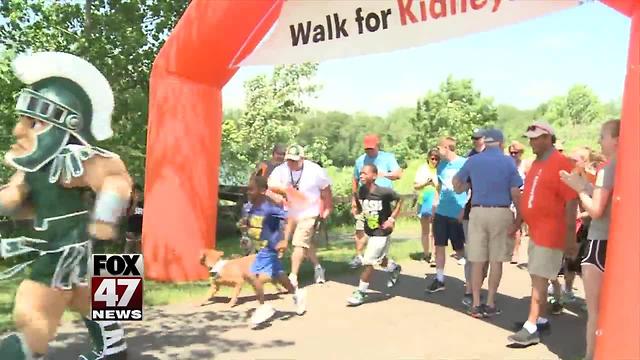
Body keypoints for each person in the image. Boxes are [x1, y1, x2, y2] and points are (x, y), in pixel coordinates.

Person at [0, 52, 131, 360]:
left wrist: (105, 220)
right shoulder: (32, 167)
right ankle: (114, 347)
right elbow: (11, 198)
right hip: (62, 245)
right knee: (86, 295)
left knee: (32, 310)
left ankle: (23, 351)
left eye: (34, 122)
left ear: (67, 124)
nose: (21, 130)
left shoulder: (71, 160)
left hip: (67, 248)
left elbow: (116, 177)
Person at [508, 121, 578, 346]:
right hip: (537, 231)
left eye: (536, 137)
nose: (532, 142)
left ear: (548, 137)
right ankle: (541, 320)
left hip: (550, 232)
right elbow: (528, 195)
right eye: (530, 138)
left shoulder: (561, 163)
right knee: (537, 276)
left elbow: (570, 201)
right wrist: (519, 221)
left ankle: (531, 327)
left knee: (539, 279)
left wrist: (570, 237)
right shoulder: (537, 163)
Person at [560, 119, 619, 360]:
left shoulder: (607, 169)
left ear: (616, 140)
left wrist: (580, 189)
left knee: (595, 310)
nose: (599, 141)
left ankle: (590, 356)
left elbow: (596, 211)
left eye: (602, 136)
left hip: (598, 244)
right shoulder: (627, 167)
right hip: (616, 243)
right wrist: (583, 183)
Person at [453, 129, 523, 318]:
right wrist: (519, 219)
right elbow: (516, 191)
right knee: (496, 260)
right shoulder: (508, 162)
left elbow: (457, 183)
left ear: (485, 142)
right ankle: (491, 302)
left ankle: (475, 303)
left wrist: (467, 186)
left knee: (476, 260)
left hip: (477, 211)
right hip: (500, 211)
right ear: (501, 143)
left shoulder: (473, 161)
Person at [242, 176, 307, 326]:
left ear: (263, 191)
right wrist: (245, 227)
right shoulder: (249, 207)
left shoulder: (270, 208)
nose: (248, 192)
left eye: (252, 189)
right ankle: (297, 293)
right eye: (248, 189)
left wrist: (285, 239)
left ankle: (263, 307)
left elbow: (290, 218)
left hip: (270, 247)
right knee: (279, 276)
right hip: (258, 247)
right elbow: (252, 225)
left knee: (254, 276)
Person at [268, 144, 332, 288]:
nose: (291, 163)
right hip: (290, 213)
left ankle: (293, 277)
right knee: (305, 244)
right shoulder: (281, 170)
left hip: (310, 211)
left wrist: (328, 207)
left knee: (299, 242)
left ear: (302, 159)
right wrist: (284, 190)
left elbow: (326, 189)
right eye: (289, 160)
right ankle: (318, 267)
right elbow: (270, 184)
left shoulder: (315, 170)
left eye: (295, 160)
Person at [347, 164, 403, 306]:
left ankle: (361, 292)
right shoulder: (361, 191)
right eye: (360, 174)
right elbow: (360, 205)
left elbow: (400, 199)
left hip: (382, 233)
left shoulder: (383, 192)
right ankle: (393, 267)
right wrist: (357, 210)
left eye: (365, 173)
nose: (361, 176)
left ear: (374, 176)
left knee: (368, 261)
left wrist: (391, 219)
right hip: (370, 231)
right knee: (378, 259)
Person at [350, 134, 402, 269]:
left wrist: (384, 174)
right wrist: (354, 201)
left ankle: (388, 263)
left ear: (377, 146)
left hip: (383, 201)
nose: (369, 151)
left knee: (381, 235)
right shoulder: (360, 160)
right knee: (360, 227)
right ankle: (359, 256)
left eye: (371, 148)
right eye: (366, 149)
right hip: (366, 199)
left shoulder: (387, 158)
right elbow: (355, 179)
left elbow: (398, 174)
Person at [426, 137, 469, 295]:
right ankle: (439, 280)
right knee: (439, 246)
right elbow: (439, 188)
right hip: (441, 212)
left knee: (461, 249)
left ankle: (470, 282)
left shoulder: (464, 163)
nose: (437, 151)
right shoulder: (441, 166)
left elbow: (471, 188)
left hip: (458, 212)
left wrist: (464, 209)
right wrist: (434, 209)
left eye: (440, 148)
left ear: (447, 147)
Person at [413, 149, 440, 265]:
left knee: (434, 232)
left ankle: (434, 256)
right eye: (432, 158)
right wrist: (425, 183)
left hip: (437, 202)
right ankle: (426, 254)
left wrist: (435, 184)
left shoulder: (441, 169)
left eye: (436, 159)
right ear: (428, 158)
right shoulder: (422, 169)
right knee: (425, 231)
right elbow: (416, 186)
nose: (434, 161)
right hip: (423, 202)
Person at [508, 140, 527, 264]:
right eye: (511, 153)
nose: (514, 155)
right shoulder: (507, 164)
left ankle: (516, 252)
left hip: (520, 195)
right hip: (507, 195)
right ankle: (508, 249)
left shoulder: (524, 165)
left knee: (517, 224)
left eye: (516, 153)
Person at [124, 183, 144, 254]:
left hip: (140, 232)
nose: (138, 194)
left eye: (139, 192)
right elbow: (129, 215)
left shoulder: (143, 204)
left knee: (139, 251)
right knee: (128, 251)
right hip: (131, 231)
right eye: (136, 192)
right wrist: (135, 202)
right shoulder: (129, 203)